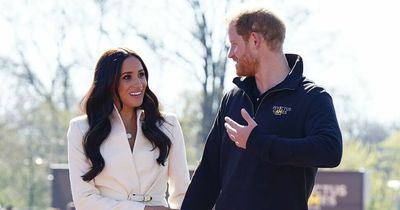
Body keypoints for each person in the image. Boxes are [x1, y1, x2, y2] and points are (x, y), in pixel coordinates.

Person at [181, 8, 342, 210]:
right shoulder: (233, 98)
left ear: (255, 40)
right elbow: (208, 173)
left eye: (234, 45)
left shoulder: (312, 97)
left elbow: (330, 151)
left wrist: (257, 141)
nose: (230, 54)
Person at [67, 48, 190, 210]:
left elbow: (182, 192)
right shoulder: (81, 129)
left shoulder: (169, 125)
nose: (138, 84)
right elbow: (84, 199)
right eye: (127, 77)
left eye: (141, 74)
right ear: (109, 83)